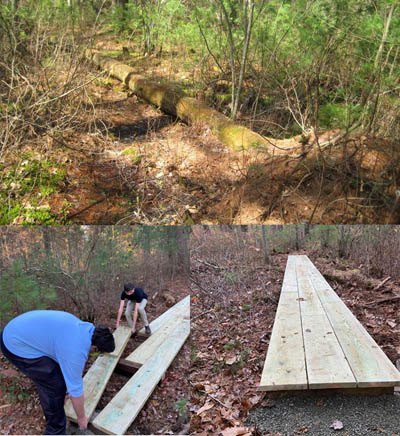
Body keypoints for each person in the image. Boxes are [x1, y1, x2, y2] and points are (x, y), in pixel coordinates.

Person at [0, 310, 115, 435]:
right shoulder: (75, 351)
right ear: (94, 348)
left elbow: (69, 365)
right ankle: (55, 431)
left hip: (17, 329)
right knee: (54, 386)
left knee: (58, 375)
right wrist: (81, 418)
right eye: (99, 353)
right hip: (15, 344)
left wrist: (69, 388)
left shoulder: (82, 328)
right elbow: (76, 389)